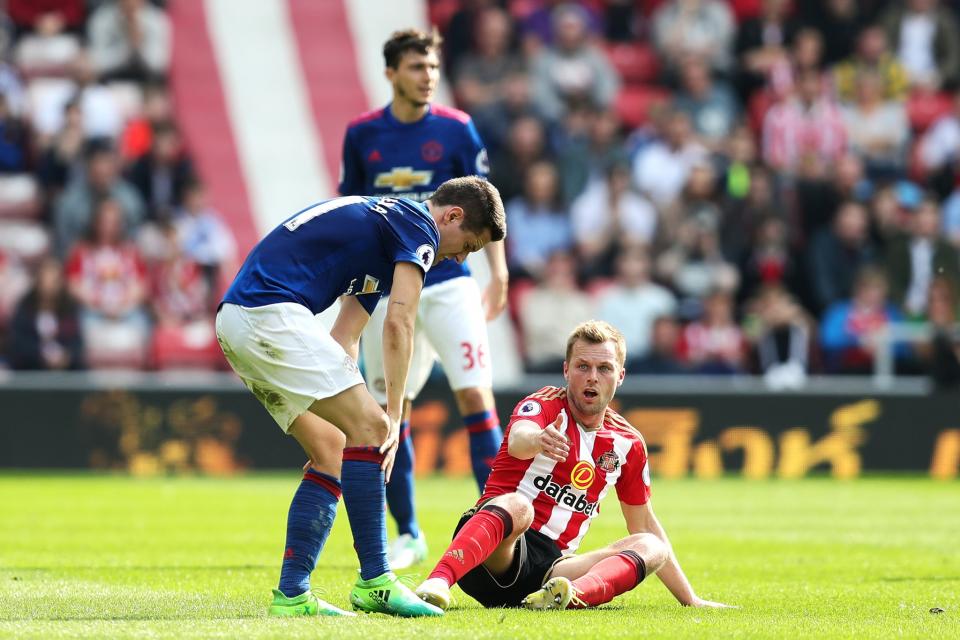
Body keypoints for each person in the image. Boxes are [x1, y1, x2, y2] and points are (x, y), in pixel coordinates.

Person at [217, 177, 506, 618]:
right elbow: (400, 322)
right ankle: (376, 581)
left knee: (333, 447)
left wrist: (362, 421)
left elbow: (345, 336)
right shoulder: (417, 226)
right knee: (371, 428)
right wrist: (390, 417)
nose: (460, 258)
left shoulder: (385, 231)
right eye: (468, 245)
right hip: (268, 314)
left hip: (240, 321)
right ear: (452, 216)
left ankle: (292, 595)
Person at [414, 321, 732, 611]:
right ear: (567, 370)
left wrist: (690, 599)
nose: (592, 376)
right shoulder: (543, 404)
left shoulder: (628, 443)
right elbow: (518, 440)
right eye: (583, 366)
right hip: (495, 550)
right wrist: (539, 438)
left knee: (652, 546)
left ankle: (566, 595)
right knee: (519, 506)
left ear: (620, 376)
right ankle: (437, 582)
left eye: (604, 368)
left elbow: (644, 523)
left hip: (551, 568)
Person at [339, 29, 510, 569]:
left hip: (450, 286)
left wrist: (498, 274)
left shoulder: (457, 130)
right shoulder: (362, 133)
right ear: (391, 72)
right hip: (390, 289)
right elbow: (353, 211)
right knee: (394, 409)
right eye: (416, 67)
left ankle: (494, 523)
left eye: (432, 67)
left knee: (475, 397)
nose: (427, 76)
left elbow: (486, 205)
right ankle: (409, 531)